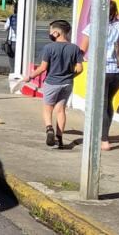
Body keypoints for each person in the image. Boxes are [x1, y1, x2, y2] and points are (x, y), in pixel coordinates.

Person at [79, 2, 119, 151]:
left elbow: (82, 50)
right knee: (107, 102)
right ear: (115, 11)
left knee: (101, 104)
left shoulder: (93, 27)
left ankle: (103, 139)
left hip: (101, 69)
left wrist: (82, 60)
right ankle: (104, 136)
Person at [21, 20, 83, 149]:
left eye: (50, 31)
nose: (50, 34)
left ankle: (49, 129)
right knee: (61, 110)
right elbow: (80, 68)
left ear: (56, 33)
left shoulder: (49, 48)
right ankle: (59, 138)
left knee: (47, 108)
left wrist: (30, 76)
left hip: (51, 83)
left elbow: (43, 67)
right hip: (67, 83)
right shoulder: (74, 48)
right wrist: (70, 75)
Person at [4, 4, 18, 71]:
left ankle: (13, 73)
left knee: (12, 60)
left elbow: (5, 28)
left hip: (13, 42)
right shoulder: (25, 18)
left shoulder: (11, 17)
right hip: (22, 43)